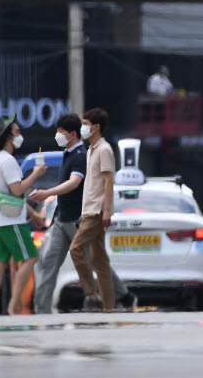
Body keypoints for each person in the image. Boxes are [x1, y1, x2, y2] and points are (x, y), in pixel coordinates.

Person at [68, 107, 135, 312]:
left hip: (97, 211)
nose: (83, 128)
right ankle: (109, 306)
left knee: (75, 249)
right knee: (100, 261)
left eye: (86, 125)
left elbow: (108, 182)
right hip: (90, 209)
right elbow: (92, 184)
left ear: (96, 127)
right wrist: (84, 209)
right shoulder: (91, 150)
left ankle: (91, 293)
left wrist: (107, 211)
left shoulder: (104, 149)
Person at [0, 114, 47, 316]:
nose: (21, 136)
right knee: (30, 258)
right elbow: (17, 191)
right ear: (8, 137)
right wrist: (36, 174)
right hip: (11, 219)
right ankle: (14, 303)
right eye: (17, 132)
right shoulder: (8, 161)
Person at [29, 113, 88, 314]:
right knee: (47, 262)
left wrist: (47, 192)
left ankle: (110, 298)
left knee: (91, 266)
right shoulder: (68, 154)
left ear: (72, 134)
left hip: (77, 222)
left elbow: (74, 183)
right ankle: (41, 310)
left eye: (61, 132)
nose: (57, 135)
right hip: (61, 221)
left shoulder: (80, 155)